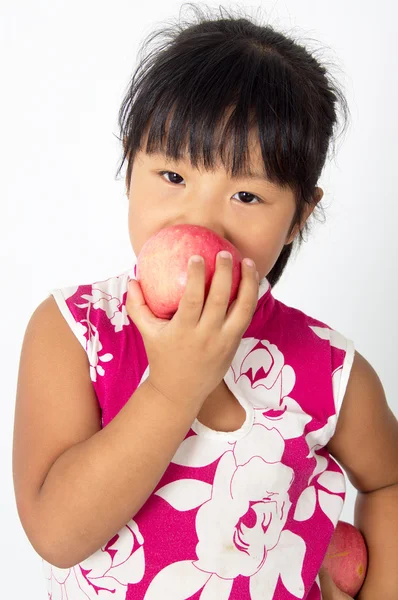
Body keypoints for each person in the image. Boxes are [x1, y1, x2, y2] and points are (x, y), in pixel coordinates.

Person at [12, 4, 398, 600]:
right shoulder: (75, 332)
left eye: (246, 194)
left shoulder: (324, 368)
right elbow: (58, 535)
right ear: (129, 165)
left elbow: (388, 482)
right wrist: (173, 387)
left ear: (299, 215)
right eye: (172, 176)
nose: (201, 218)